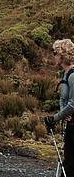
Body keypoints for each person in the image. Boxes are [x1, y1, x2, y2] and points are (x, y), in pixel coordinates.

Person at [45, 38, 74, 176]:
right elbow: (64, 98)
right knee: (68, 162)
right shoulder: (65, 73)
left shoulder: (73, 76)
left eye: (55, 53)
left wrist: (55, 118)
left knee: (69, 166)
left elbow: (73, 104)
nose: (53, 56)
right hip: (70, 124)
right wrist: (63, 113)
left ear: (62, 55)